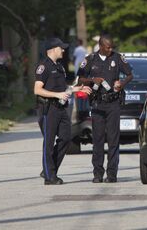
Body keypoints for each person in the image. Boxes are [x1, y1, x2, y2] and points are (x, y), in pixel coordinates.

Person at [34, 38, 92, 185]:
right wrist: (57, 95)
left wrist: (76, 89)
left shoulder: (59, 66)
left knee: (66, 138)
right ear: (53, 49)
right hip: (48, 109)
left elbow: (62, 88)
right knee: (48, 143)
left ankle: (48, 168)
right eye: (61, 48)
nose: (64, 50)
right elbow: (37, 90)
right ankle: (49, 177)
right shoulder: (43, 66)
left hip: (61, 108)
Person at [77, 35, 133, 183]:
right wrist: (92, 80)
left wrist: (122, 83)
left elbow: (130, 74)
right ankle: (97, 174)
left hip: (113, 103)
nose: (111, 49)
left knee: (113, 140)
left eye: (112, 47)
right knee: (98, 140)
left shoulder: (117, 58)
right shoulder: (90, 59)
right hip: (97, 104)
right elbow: (80, 78)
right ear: (101, 46)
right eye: (108, 47)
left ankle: (112, 174)